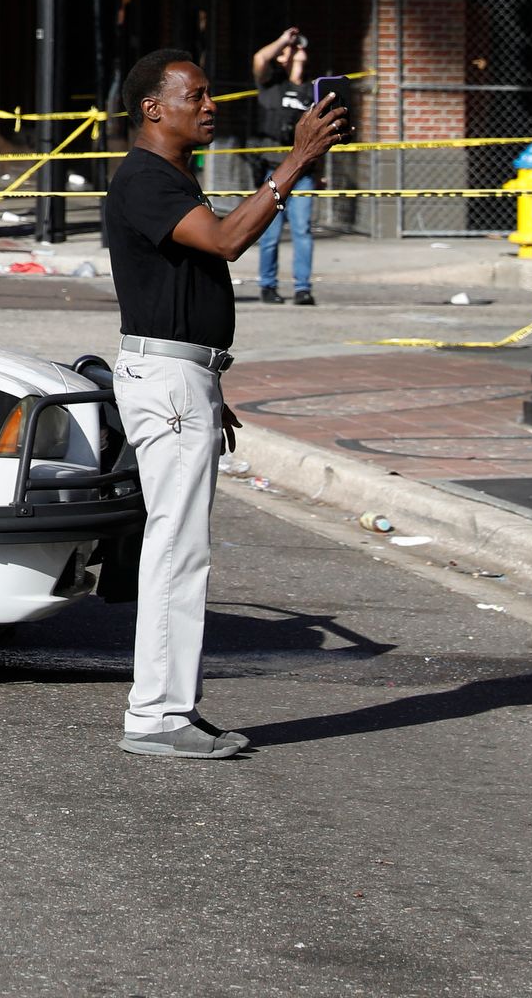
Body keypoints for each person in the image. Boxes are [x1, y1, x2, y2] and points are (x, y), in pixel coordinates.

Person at [104, 48, 346, 759]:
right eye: (198, 94)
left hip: (185, 380)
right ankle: (156, 717)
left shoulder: (172, 174)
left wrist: (209, 382)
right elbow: (228, 241)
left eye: (210, 94)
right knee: (177, 553)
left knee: (179, 549)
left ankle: (167, 710)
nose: (212, 105)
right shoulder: (145, 178)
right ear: (154, 107)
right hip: (168, 383)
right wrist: (293, 163)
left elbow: (182, 287)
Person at [249, 27, 320, 305]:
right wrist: (283, 41)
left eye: (300, 48)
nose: (296, 51)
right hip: (274, 170)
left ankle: (303, 287)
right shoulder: (272, 86)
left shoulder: (312, 90)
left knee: (302, 229)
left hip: (304, 173)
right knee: (271, 231)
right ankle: (268, 285)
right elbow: (259, 59)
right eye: (291, 50)